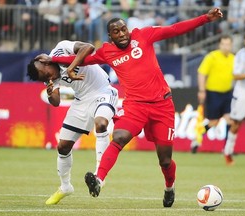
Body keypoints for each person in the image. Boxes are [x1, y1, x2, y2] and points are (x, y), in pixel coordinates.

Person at [39, 7, 223, 208]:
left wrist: (206, 18)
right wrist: (53, 59)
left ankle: (169, 187)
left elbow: (175, 29)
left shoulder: (144, 35)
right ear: (110, 36)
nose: (122, 34)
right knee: (119, 137)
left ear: (128, 29)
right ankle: (99, 179)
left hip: (163, 105)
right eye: (116, 32)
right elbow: (85, 58)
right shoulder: (107, 52)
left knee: (165, 161)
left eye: (123, 29)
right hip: (135, 106)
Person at [27, 40, 118, 205]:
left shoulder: (61, 48)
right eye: (45, 79)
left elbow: (88, 48)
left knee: (101, 123)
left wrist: (70, 67)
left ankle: (99, 177)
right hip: (81, 101)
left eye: (46, 74)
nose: (49, 78)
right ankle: (65, 186)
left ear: (44, 60)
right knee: (62, 146)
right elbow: (55, 101)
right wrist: (49, 92)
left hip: (103, 91)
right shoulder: (49, 78)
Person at [191, 35, 235, 153]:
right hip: (213, 93)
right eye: (224, 44)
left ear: (231, 46)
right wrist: (202, 90)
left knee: (229, 119)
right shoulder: (212, 57)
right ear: (219, 45)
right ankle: (197, 139)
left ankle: (227, 148)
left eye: (228, 44)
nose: (226, 47)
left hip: (228, 93)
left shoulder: (233, 58)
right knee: (213, 122)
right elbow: (201, 73)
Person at [223, 31, 245, 165]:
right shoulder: (240, 55)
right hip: (242, 93)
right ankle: (228, 151)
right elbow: (236, 75)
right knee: (236, 124)